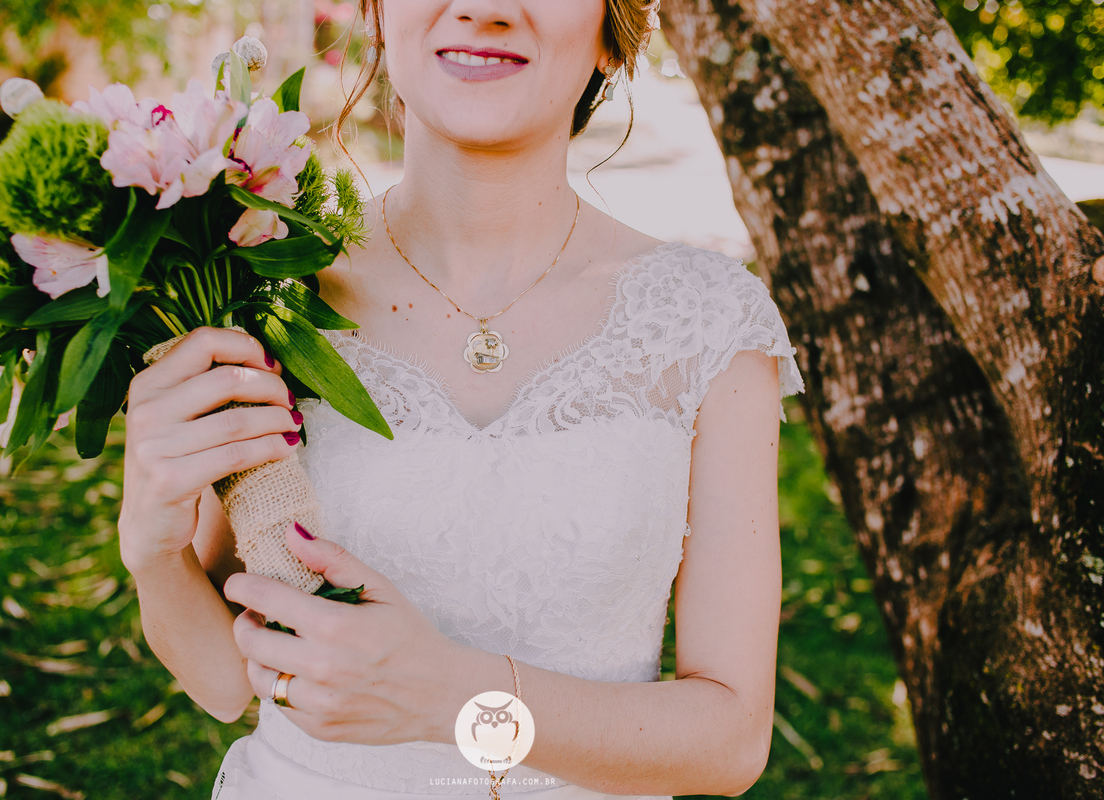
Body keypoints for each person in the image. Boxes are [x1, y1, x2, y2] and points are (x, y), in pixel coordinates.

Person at [116, 1, 806, 798]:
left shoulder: (709, 323)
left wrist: (453, 696)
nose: (483, 8)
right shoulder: (267, 293)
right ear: (378, 15)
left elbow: (730, 742)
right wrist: (151, 544)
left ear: (614, 35)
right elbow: (225, 679)